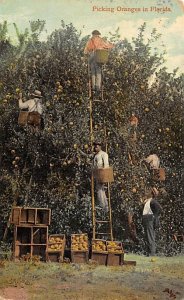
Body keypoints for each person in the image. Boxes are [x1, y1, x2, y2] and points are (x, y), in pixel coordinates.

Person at [84, 30, 113, 96]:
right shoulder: (101, 40)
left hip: (92, 58)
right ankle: (98, 88)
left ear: (93, 34)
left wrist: (88, 53)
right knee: (98, 73)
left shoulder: (90, 40)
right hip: (99, 58)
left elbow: (85, 51)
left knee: (93, 73)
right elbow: (108, 46)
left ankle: (93, 87)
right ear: (98, 34)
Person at [141, 189, 162, 257]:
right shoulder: (148, 201)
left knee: (150, 237)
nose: (146, 193)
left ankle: (152, 254)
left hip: (149, 219)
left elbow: (159, 209)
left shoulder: (152, 201)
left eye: (148, 192)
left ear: (151, 194)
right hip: (147, 219)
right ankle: (149, 253)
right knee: (148, 236)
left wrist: (154, 217)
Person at [93, 141, 109, 212]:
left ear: (100, 146)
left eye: (97, 146)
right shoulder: (96, 155)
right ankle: (105, 206)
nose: (95, 147)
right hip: (97, 173)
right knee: (100, 189)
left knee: (100, 189)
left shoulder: (103, 154)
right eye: (95, 146)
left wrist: (105, 176)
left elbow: (106, 164)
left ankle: (103, 206)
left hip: (101, 173)